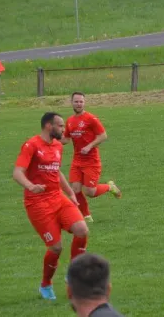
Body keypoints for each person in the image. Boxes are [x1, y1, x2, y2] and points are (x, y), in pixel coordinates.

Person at [13, 112, 90, 300]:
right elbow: (17, 172)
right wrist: (31, 186)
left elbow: (56, 172)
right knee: (56, 248)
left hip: (58, 197)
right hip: (37, 203)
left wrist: (70, 193)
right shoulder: (31, 145)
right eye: (61, 126)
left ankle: (73, 274)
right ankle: (45, 285)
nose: (64, 130)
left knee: (82, 230)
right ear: (49, 126)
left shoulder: (57, 146)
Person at [62, 92, 121, 223]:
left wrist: (89, 146)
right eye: (76, 101)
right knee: (75, 189)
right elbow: (65, 139)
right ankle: (87, 216)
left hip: (91, 161)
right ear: (71, 102)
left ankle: (109, 187)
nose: (78, 104)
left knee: (90, 192)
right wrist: (53, 137)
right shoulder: (70, 121)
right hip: (77, 161)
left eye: (81, 102)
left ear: (84, 103)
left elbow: (103, 135)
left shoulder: (91, 118)